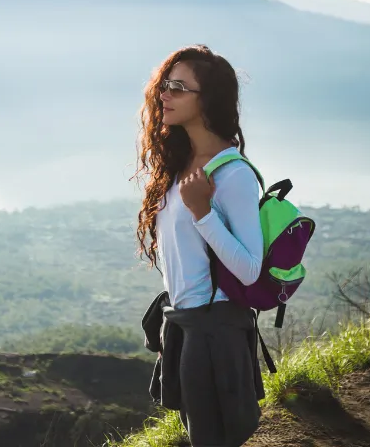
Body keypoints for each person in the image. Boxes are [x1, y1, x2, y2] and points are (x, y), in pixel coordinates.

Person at [136, 44, 266, 446]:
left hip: (217, 330)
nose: (165, 95)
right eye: (165, 85)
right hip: (188, 325)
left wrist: (203, 213)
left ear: (207, 99)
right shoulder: (180, 164)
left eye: (178, 87)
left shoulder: (233, 175)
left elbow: (249, 268)